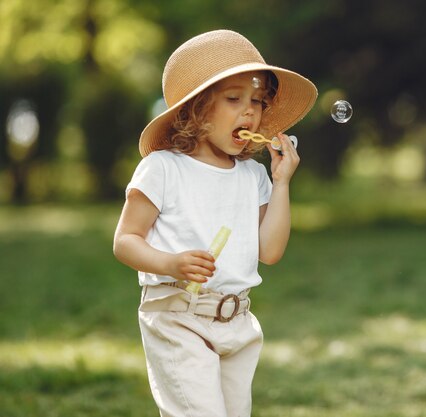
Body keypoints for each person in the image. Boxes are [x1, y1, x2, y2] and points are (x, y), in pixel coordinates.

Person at [112, 29, 317, 417]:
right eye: (234, 98)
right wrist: (169, 263)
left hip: (237, 323)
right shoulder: (163, 169)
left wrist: (282, 182)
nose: (250, 112)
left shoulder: (253, 176)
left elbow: (270, 252)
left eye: (258, 101)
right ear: (195, 109)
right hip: (177, 318)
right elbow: (125, 240)